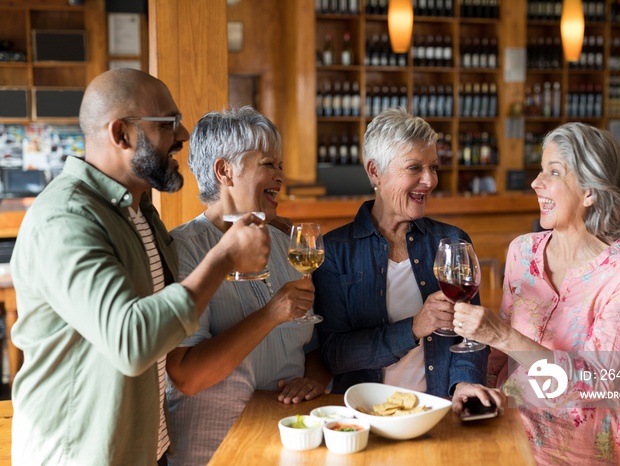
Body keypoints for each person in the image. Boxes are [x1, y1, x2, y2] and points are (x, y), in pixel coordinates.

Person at [9, 69, 270, 466]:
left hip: (147, 446)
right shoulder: (64, 219)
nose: (183, 136)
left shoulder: (139, 210)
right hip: (81, 454)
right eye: (168, 124)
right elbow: (132, 341)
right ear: (121, 134)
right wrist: (223, 258)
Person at [452, 122, 620, 465]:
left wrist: (502, 335)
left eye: (554, 171)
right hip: (507, 434)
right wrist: (474, 388)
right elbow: (498, 359)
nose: (536, 182)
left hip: (580, 450)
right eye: (540, 168)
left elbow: (593, 385)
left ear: (589, 191)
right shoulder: (522, 251)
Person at [165, 106, 331, 466]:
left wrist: (314, 382)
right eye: (269, 164)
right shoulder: (182, 251)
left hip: (288, 443)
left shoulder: (287, 242)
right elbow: (187, 376)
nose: (280, 176)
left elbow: (314, 345)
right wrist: (272, 313)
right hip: (214, 449)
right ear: (225, 171)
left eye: (280, 167)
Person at [313, 107, 490, 397]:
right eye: (414, 168)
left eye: (433, 167)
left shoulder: (452, 241)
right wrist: (414, 327)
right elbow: (335, 354)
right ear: (375, 172)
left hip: (439, 411)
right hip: (366, 415)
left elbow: (471, 335)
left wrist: (465, 384)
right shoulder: (334, 251)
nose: (430, 181)